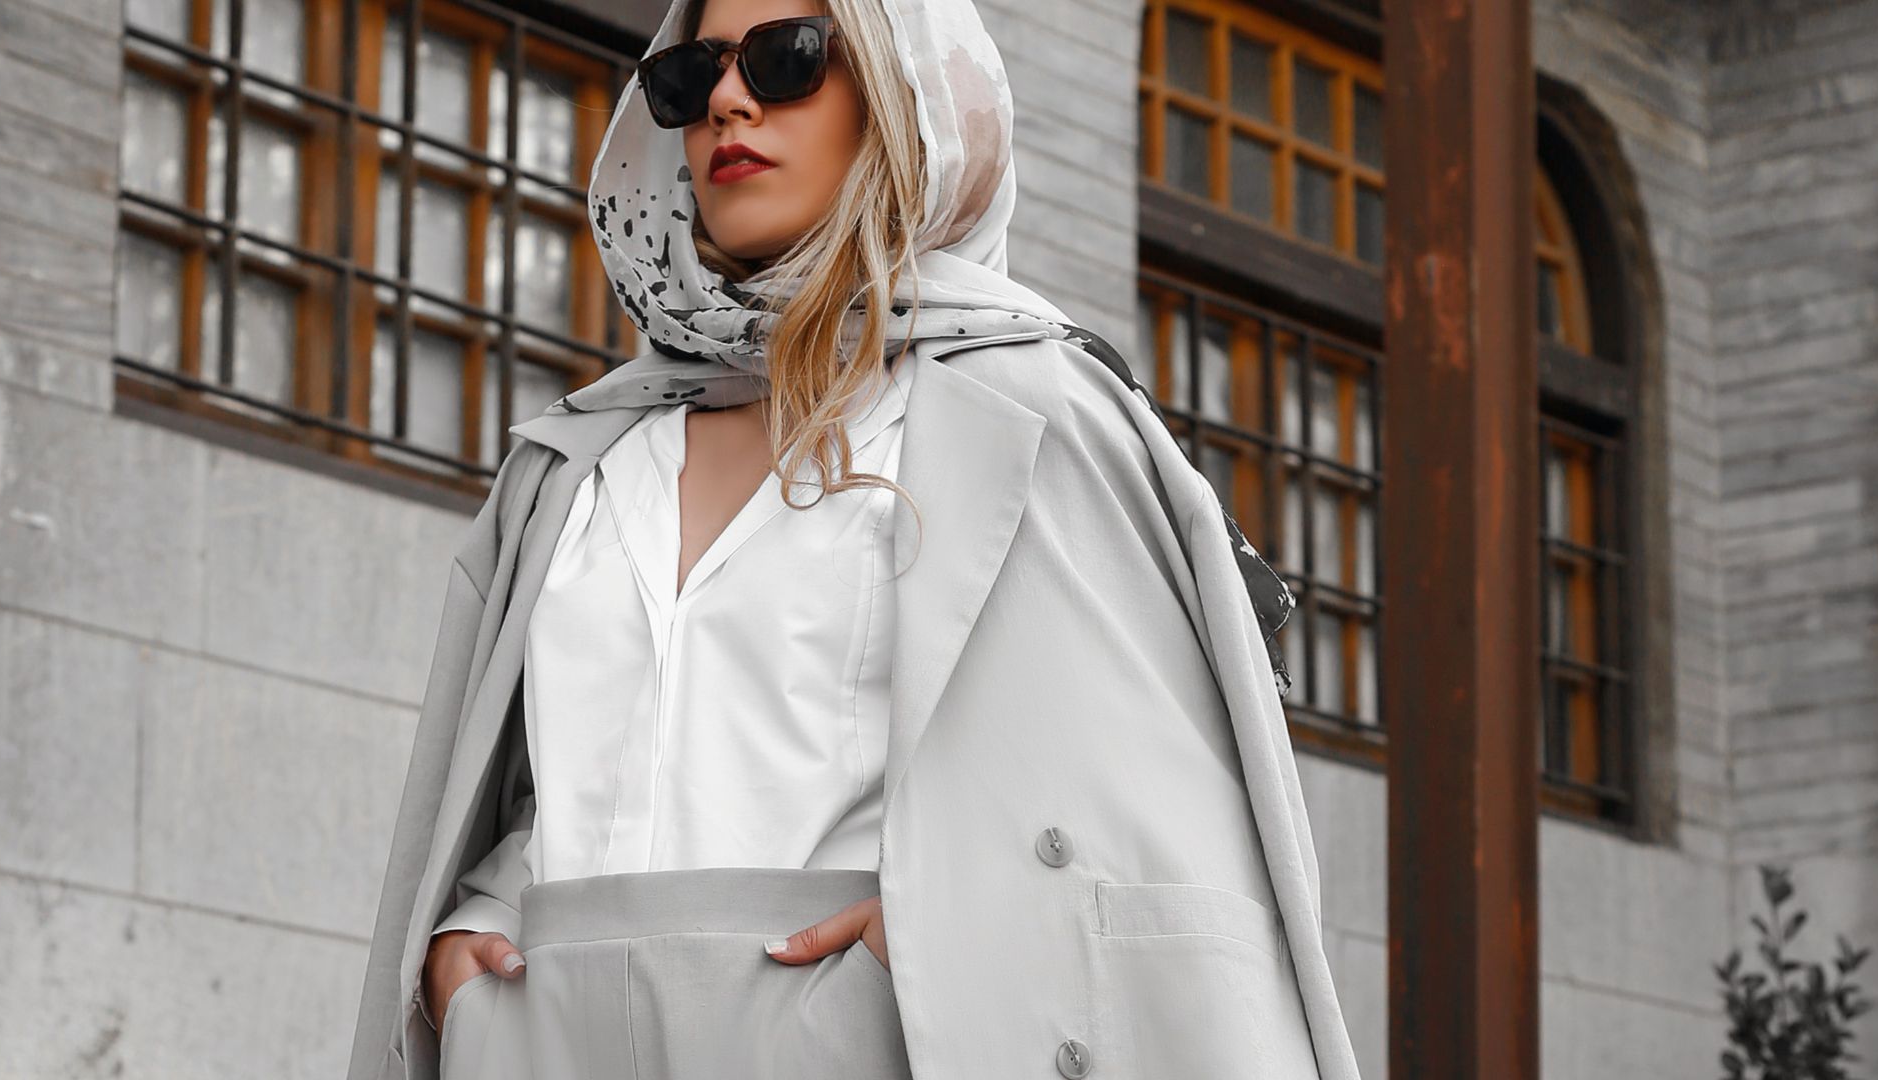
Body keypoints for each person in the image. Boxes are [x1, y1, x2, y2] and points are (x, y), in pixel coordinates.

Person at [345, 0, 1361, 1077]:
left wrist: (938, 940)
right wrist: (477, 915)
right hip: (543, 1040)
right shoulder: (579, 455)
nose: (729, 101)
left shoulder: (1027, 410)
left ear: (905, 96)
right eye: (692, 77)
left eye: (788, 61)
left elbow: (1153, 822)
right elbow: (570, 763)